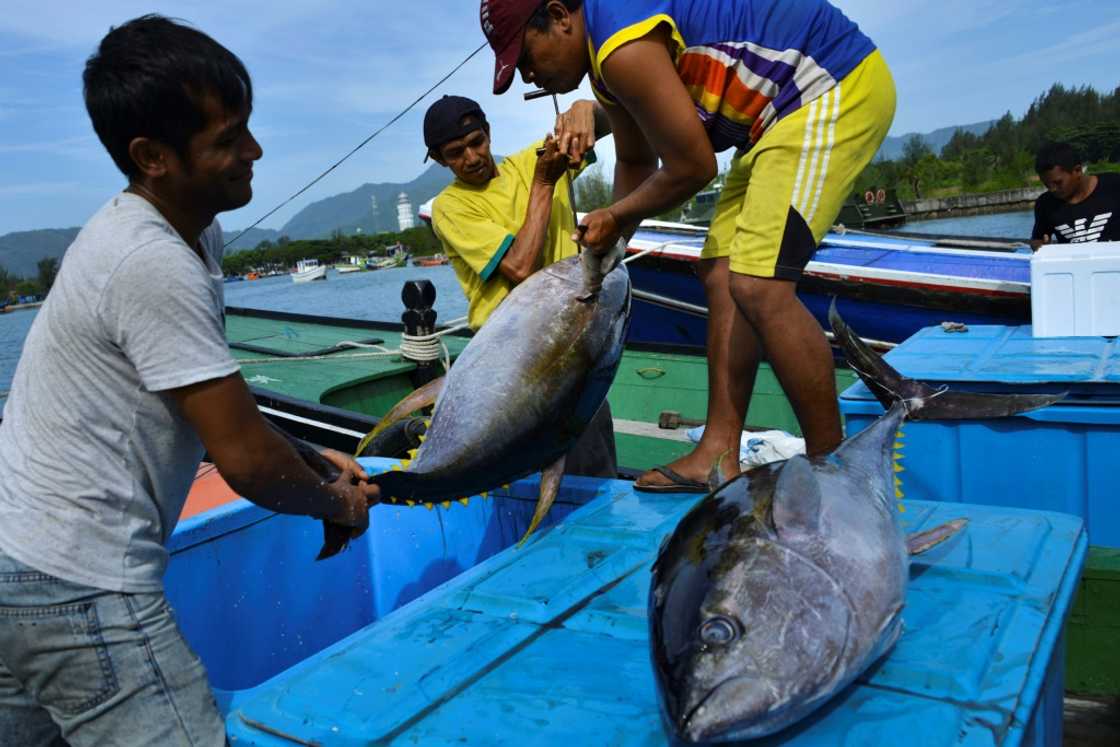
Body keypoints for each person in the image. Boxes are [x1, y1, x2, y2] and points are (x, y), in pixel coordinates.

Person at [0, 15, 378, 746]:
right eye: (227, 139)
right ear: (153, 157)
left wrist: (308, 456)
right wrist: (333, 502)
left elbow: (227, 413)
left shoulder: (190, 228)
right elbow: (238, 457)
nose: (254, 151)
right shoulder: (150, 260)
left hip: (17, 567)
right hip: (82, 587)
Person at [481, 0, 896, 489]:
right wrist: (605, 254)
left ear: (560, 15)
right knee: (720, 275)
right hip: (768, 123)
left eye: (526, 58)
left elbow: (693, 168)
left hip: (827, 85)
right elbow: (635, 164)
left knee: (759, 288)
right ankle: (718, 454)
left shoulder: (621, 47)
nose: (530, 76)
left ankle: (838, 479)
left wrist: (615, 216)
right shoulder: (604, 67)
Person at [424, 93, 617, 477]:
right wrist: (544, 183)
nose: (472, 158)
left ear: (489, 133)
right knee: (524, 473)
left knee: (595, 472)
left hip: (575, 344)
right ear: (439, 159)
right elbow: (520, 265)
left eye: (476, 142)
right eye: (455, 153)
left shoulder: (533, 159)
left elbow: (621, 114)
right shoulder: (451, 206)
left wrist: (586, 111)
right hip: (510, 360)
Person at [1031, 142, 1120, 249]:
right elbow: (1037, 239)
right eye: (1046, 184)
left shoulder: (1114, 186)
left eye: (1058, 183)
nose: (1052, 189)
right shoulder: (1045, 204)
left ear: (1077, 171)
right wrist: (1041, 247)